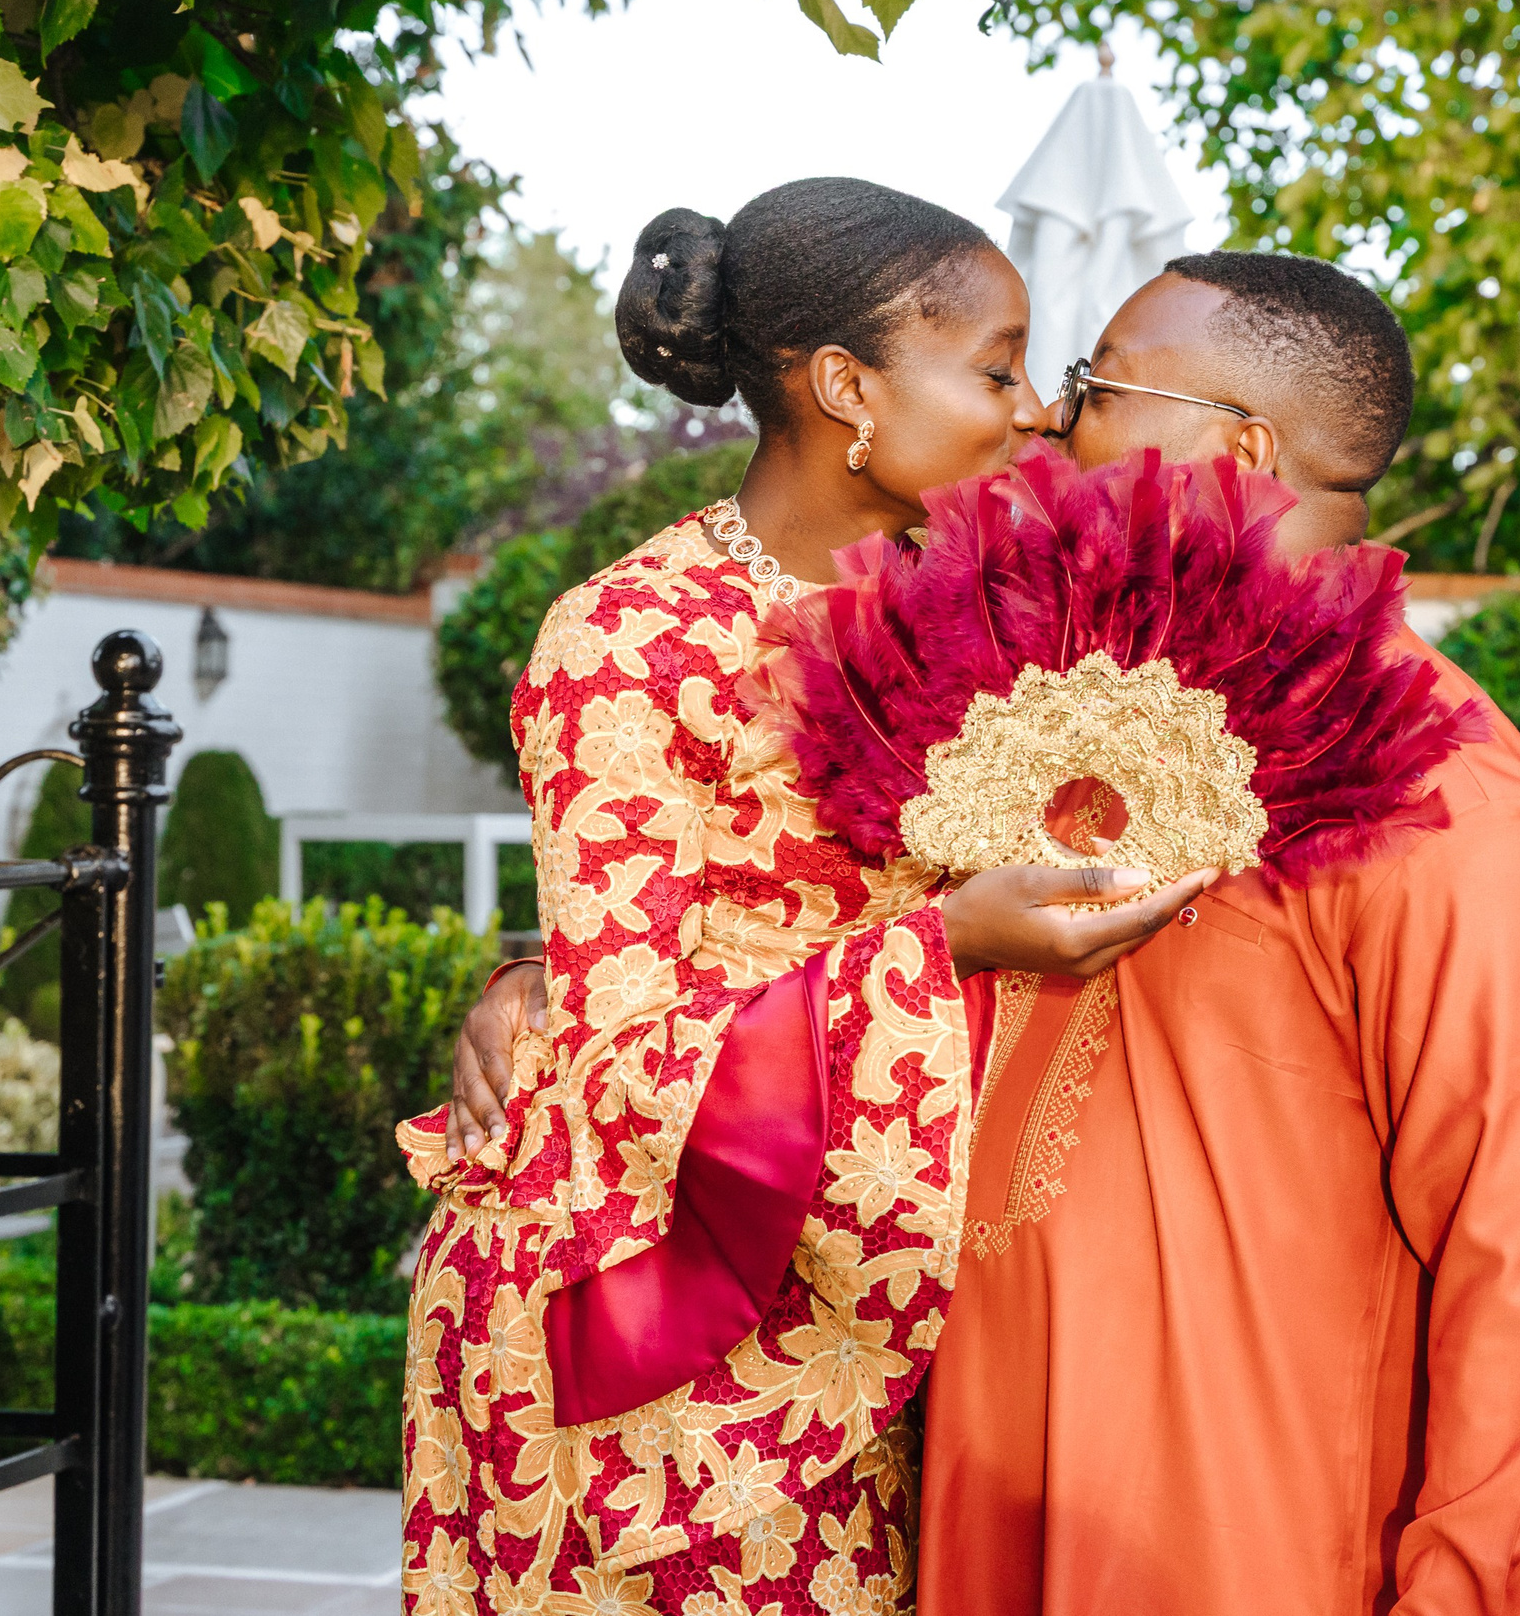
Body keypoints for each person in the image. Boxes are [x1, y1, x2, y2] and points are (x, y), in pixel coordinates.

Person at [397, 179, 1217, 1613]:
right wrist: (945, 942)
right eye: (998, 366)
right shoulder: (631, 638)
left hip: (913, 1266)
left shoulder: (997, 602)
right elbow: (624, 1052)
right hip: (666, 1310)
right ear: (847, 386)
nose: (1034, 407)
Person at [916, 253, 1520, 1613]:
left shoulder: (1446, 803)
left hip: (1244, 1546)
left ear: (1237, 454)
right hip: (984, 1516)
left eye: (1095, 390)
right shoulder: (1082, 727)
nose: (1051, 425)